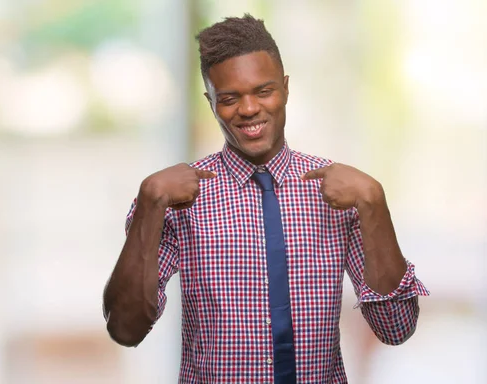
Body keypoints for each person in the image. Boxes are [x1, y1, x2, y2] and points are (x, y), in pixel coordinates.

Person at [102, 14, 429, 384]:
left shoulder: (341, 193)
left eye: (263, 91)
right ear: (210, 101)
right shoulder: (175, 199)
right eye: (229, 98)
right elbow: (125, 330)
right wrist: (149, 204)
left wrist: (374, 202)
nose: (248, 109)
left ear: (285, 89)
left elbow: (396, 329)